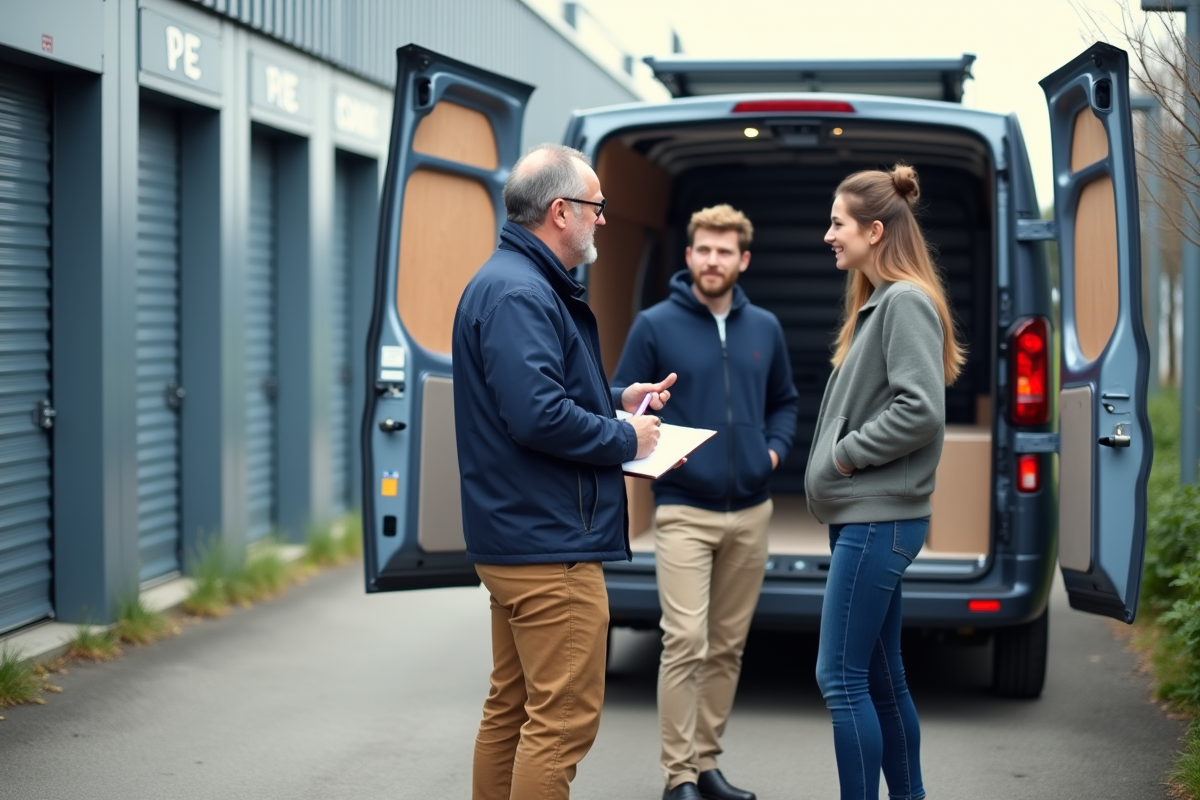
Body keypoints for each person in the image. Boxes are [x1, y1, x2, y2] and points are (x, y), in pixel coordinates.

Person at [452, 143, 678, 800]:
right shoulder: (522, 293)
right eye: (597, 207)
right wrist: (625, 436)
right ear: (560, 211)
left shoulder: (513, 284)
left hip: (522, 536)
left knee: (513, 708)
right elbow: (538, 417)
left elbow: (536, 394)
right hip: (550, 546)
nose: (603, 220)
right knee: (560, 723)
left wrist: (616, 399)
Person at [613, 204, 799, 800]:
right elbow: (621, 407)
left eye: (724, 251)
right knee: (685, 639)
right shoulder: (653, 325)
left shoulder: (765, 328)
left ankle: (708, 765)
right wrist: (651, 439)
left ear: (742, 260)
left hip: (752, 509)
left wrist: (770, 454)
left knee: (726, 646)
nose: (712, 260)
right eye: (703, 249)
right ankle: (679, 778)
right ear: (689, 255)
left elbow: (785, 402)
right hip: (683, 510)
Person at [807, 164, 965, 800]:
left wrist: (844, 457)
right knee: (881, 679)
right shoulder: (879, 302)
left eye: (838, 223)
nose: (827, 235)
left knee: (839, 678)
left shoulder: (902, 301)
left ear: (874, 231)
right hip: (870, 517)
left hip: (878, 517)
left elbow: (920, 409)